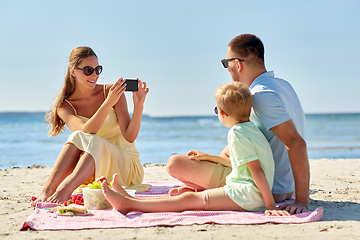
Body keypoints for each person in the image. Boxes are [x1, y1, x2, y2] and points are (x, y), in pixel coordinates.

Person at [166, 34, 309, 214]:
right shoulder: (281, 84)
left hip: (269, 186)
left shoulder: (261, 95)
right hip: (282, 184)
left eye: (226, 63)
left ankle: (212, 193)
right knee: (219, 154)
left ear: (238, 64)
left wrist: (302, 201)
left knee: (175, 163)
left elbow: (296, 143)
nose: (227, 69)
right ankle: (210, 191)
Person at [100, 82, 289, 216]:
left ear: (222, 114)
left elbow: (256, 170)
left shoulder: (236, 133)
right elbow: (243, 165)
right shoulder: (251, 129)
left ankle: (128, 204)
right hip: (247, 191)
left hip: (246, 195)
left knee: (187, 201)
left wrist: (269, 205)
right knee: (189, 198)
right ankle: (130, 200)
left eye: (217, 111)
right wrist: (210, 157)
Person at [32, 46, 149, 206]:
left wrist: (139, 106)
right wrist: (108, 104)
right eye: (88, 70)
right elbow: (87, 132)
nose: (94, 75)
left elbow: (129, 137)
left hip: (124, 165)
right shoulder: (65, 107)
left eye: (97, 69)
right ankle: (49, 188)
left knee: (90, 139)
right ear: (73, 71)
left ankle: (65, 188)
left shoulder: (111, 92)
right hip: (93, 166)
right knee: (79, 136)